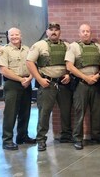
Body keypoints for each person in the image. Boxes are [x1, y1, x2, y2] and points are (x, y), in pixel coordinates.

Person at [26, 22, 73, 151]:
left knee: (66, 111)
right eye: (51, 30)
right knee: (44, 113)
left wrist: (68, 74)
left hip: (63, 84)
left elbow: (70, 63)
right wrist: (39, 79)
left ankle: (66, 136)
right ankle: (41, 139)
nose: (54, 32)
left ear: (60, 32)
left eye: (56, 30)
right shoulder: (39, 45)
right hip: (47, 84)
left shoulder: (67, 46)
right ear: (47, 32)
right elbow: (29, 62)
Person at [65, 24, 100, 150]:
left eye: (88, 31)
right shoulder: (73, 47)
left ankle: (96, 136)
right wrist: (86, 78)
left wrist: (97, 76)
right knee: (79, 112)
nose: (86, 33)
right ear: (79, 33)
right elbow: (70, 66)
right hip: (81, 84)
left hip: (96, 83)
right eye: (83, 31)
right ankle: (77, 138)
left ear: (90, 33)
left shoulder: (98, 47)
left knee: (97, 112)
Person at [0, 27, 35, 150]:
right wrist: (21, 80)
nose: (14, 37)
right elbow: (3, 70)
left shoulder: (27, 49)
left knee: (25, 112)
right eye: (11, 35)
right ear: (8, 36)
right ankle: (7, 140)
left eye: (16, 34)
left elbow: (32, 65)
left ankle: (22, 136)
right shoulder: (3, 50)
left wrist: (30, 78)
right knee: (10, 113)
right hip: (12, 84)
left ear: (21, 35)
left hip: (26, 83)